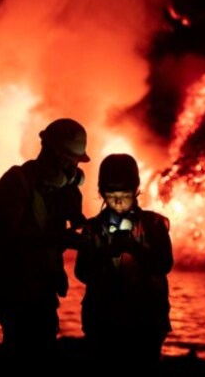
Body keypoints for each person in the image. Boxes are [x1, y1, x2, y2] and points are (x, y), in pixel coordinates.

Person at [0, 118, 89, 361]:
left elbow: (63, 225)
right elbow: (14, 238)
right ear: (50, 152)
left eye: (75, 162)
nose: (73, 168)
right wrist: (60, 238)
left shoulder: (55, 189)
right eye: (69, 160)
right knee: (23, 354)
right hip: (15, 291)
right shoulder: (15, 183)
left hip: (42, 289)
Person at [75, 153, 173, 367]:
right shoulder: (92, 229)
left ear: (136, 189)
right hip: (103, 322)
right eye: (111, 193)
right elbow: (82, 272)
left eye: (125, 193)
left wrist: (133, 248)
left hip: (146, 322)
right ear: (101, 192)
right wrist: (108, 252)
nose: (118, 200)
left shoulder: (155, 224)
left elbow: (164, 265)